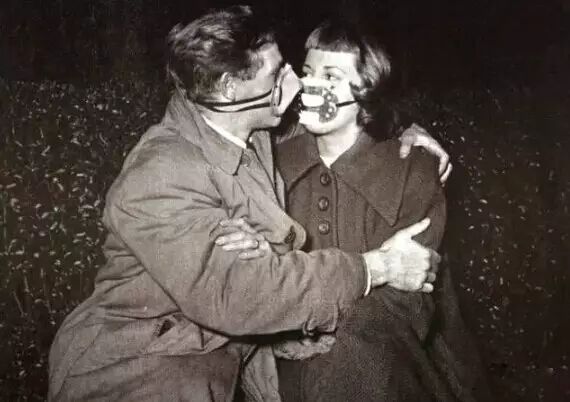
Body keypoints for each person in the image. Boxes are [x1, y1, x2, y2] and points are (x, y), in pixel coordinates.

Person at [48, 6, 452, 402]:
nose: (297, 83)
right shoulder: (158, 176)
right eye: (278, 73)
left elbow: (350, 113)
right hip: (136, 366)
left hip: (216, 357)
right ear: (230, 88)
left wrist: (406, 130)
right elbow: (243, 294)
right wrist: (374, 267)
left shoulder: (248, 129)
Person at [218, 19, 490, 402]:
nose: (310, 85)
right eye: (308, 72)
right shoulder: (270, 164)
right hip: (284, 363)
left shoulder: (411, 168)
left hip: (392, 365)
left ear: (366, 90)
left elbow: (407, 304)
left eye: (331, 76)